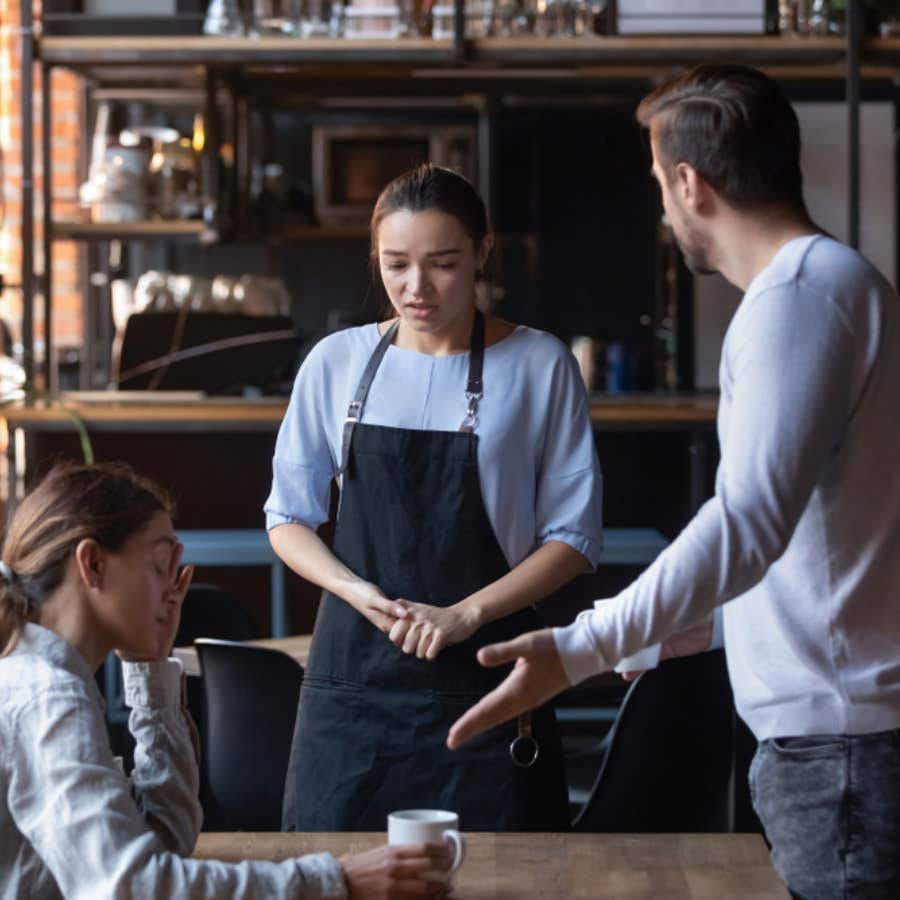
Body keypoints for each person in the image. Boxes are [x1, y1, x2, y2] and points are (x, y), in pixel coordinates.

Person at [447, 64, 900, 900]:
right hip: (847, 748)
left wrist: (584, 646)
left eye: (659, 183)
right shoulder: (839, 285)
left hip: (840, 757)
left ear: (690, 183)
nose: (661, 209)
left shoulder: (797, 297)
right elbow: (827, 544)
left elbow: (747, 524)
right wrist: (690, 631)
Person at [266, 163, 603, 832]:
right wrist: (358, 592)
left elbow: (574, 539)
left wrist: (465, 614)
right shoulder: (335, 362)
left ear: (481, 252)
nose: (415, 287)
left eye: (443, 263)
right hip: (352, 688)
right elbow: (288, 517)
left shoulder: (540, 365)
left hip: (488, 678)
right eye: (395, 264)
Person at [0, 462, 451, 899]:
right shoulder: (49, 695)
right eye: (159, 566)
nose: (171, 590)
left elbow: (163, 839)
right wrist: (336, 881)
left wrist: (152, 670)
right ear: (92, 564)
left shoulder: (49, 680)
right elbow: (128, 888)